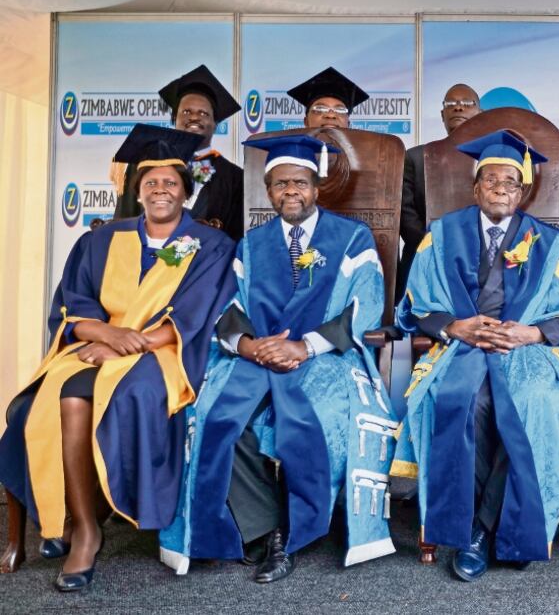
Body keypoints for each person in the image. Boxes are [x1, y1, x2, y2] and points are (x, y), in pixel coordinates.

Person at [0, 124, 235, 591]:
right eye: (151, 183)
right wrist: (107, 333)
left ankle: (91, 521)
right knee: (48, 402)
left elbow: (197, 314)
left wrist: (130, 343)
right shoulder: (102, 239)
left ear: (186, 192)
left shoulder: (211, 245)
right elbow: (72, 306)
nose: (160, 190)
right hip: (96, 346)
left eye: (170, 182)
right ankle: (77, 521)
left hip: (165, 355)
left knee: (95, 396)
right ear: (137, 191)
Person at [159, 133, 396, 583]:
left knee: (321, 413)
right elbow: (227, 307)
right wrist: (249, 346)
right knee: (213, 412)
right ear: (269, 191)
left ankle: (297, 527)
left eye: (300, 183)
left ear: (316, 187)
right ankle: (268, 528)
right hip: (257, 356)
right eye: (281, 184)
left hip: (325, 357)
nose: (291, 192)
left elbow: (365, 305)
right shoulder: (251, 244)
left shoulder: (351, 238)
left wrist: (304, 346)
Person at [391, 130, 559, 582]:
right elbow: (416, 303)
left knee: (531, 405)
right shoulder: (440, 235)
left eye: (511, 181)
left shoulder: (549, 241)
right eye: (491, 179)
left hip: (527, 352)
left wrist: (533, 332)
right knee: (468, 403)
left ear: (522, 192)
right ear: (475, 187)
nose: (501, 187)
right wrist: (453, 326)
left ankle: (485, 529)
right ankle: (477, 527)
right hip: (462, 348)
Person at [114, 65, 245, 241]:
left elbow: (235, 238)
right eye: (186, 112)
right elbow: (123, 222)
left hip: (207, 265)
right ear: (175, 118)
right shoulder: (142, 165)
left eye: (204, 113)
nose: (194, 117)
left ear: (215, 123)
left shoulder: (234, 178)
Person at [397, 83, 482, 302]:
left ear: (480, 113)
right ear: (442, 114)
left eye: (466, 103)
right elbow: (405, 214)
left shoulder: (490, 160)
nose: (458, 108)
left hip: (479, 263)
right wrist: (434, 246)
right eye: (451, 103)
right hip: (422, 259)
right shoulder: (417, 157)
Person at [288, 66, 370, 130]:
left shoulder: (362, 152)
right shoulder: (291, 152)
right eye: (320, 109)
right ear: (306, 122)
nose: (330, 115)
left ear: (348, 123)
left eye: (340, 110)